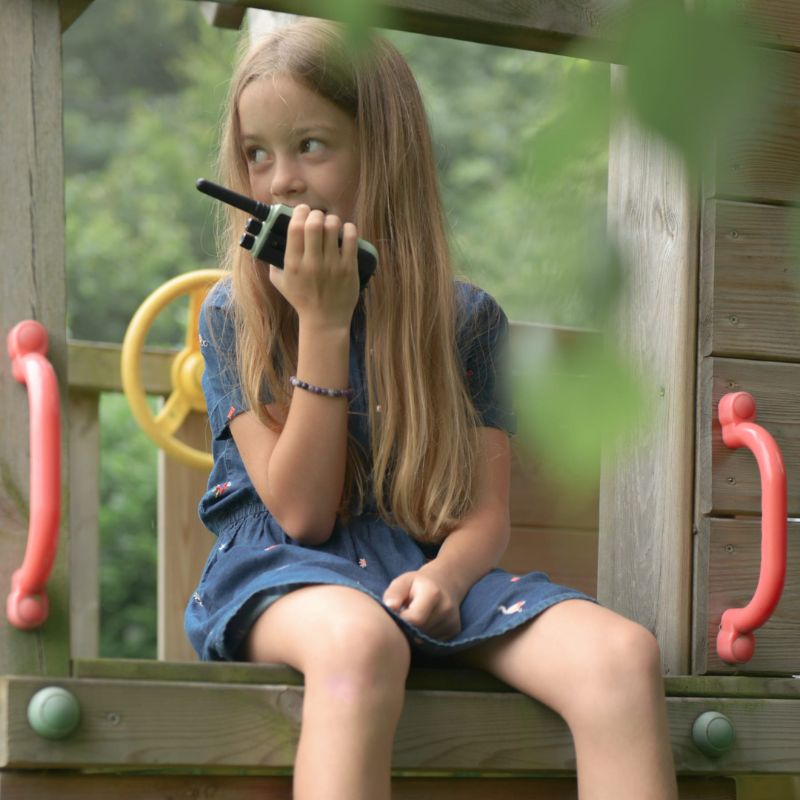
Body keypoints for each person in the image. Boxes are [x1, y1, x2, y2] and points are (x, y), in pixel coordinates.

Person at [185, 18, 678, 800]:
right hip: (281, 573)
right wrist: (322, 322)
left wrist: (447, 577)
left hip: (417, 569)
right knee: (360, 641)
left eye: (310, 145)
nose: (280, 181)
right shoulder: (234, 318)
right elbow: (303, 517)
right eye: (257, 153)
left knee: (621, 656)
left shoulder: (466, 321)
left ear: (385, 152)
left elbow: (484, 515)